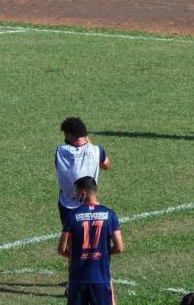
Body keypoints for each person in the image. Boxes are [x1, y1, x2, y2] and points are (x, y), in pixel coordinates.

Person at [58, 176, 123, 305]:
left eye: (77, 192)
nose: (76, 196)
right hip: (101, 278)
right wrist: (103, 253)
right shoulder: (110, 214)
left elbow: (61, 249)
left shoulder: (72, 215)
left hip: (78, 279)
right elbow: (119, 247)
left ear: (83, 193)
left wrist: (77, 256)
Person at [56, 117, 112, 230]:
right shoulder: (97, 150)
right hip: (89, 204)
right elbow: (106, 165)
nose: (65, 137)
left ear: (71, 135)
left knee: (71, 238)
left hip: (67, 204)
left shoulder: (60, 152)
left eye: (66, 134)